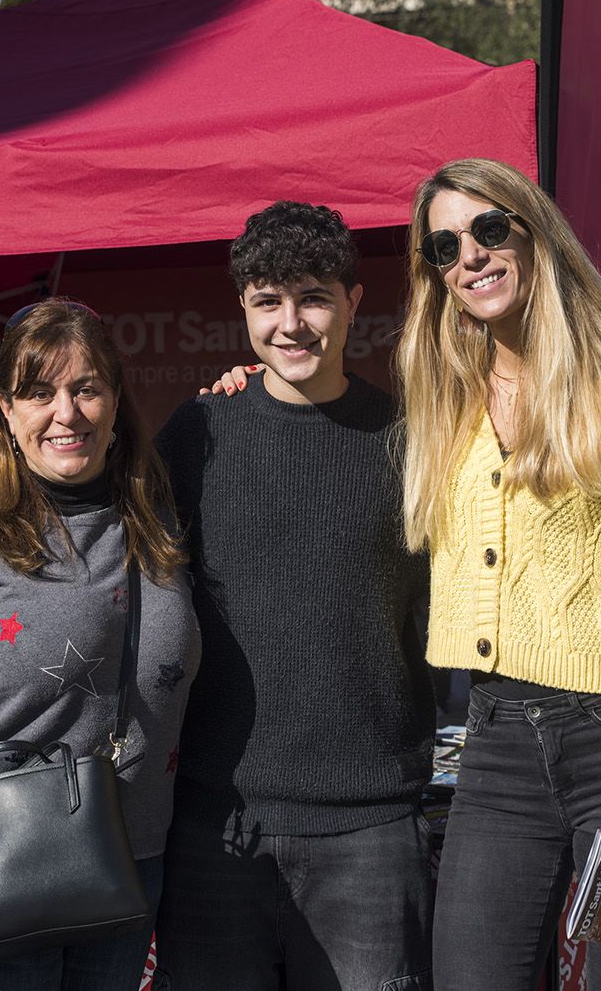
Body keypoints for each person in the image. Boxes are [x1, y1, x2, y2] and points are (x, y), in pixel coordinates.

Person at [395, 158, 601, 991]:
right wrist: (252, 387)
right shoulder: (446, 396)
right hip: (498, 741)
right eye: (444, 246)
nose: (469, 255)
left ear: (537, 234)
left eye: (489, 229)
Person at [0, 300, 200, 988]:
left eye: (86, 388)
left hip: (133, 861)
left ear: (115, 400)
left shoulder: (161, 518)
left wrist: (237, 383)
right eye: (39, 393)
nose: (67, 413)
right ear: (5, 412)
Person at [151, 201, 436, 991]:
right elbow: (109, 562)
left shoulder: (411, 443)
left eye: (312, 297)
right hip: (217, 827)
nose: (292, 323)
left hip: (371, 830)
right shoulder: (197, 434)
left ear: (352, 303)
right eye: (268, 301)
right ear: (242, 309)